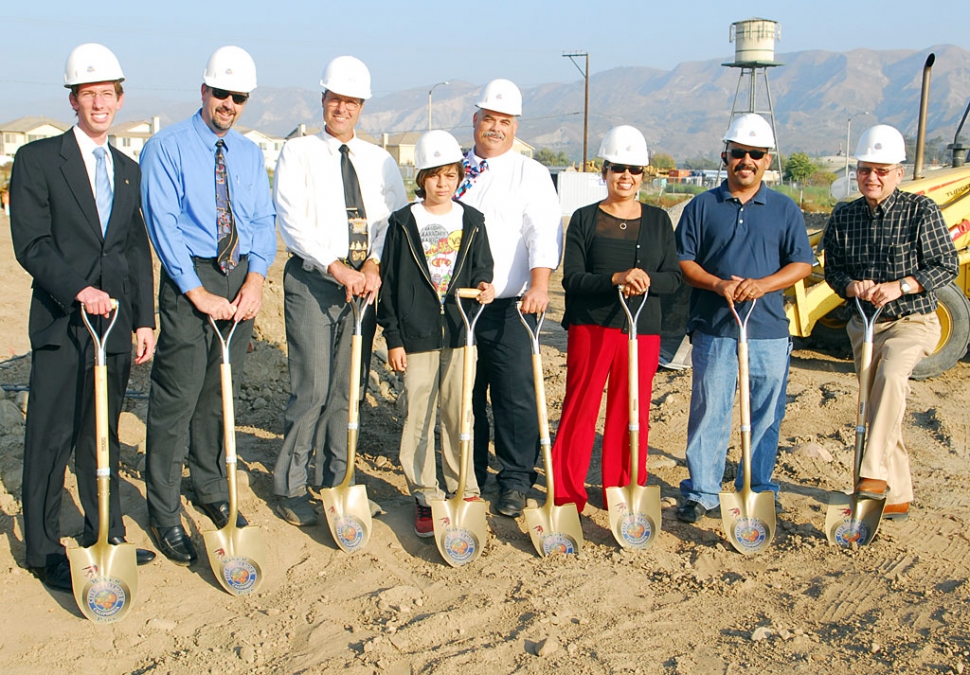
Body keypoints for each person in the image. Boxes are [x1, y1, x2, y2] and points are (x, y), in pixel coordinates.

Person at [10, 43, 157, 591]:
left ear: (119, 100)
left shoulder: (127, 170)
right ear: (73, 100)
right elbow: (32, 243)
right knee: (49, 434)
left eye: (108, 94)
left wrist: (143, 319)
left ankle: (106, 532)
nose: (99, 104)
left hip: (116, 325)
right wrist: (79, 290)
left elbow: (136, 247)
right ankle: (42, 547)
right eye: (88, 94)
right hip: (62, 320)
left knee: (103, 434)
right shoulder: (38, 160)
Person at [141, 46, 276, 565]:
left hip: (240, 276)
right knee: (177, 395)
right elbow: (163, 223)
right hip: (190, 276)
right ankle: (165, 510)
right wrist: (195, 291)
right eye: (221, 93)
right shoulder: (166, 147)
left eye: (238, 96)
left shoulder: (246, 153)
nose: (229, 103)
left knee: (218, 394)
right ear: (203, 90)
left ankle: (210, 486)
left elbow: (262, 221)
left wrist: (257, 279)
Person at [272, 56, 407, 527]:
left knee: (346, 391)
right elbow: (292, 220)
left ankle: (336, 480)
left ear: (362, 106)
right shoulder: (300, 153)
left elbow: (395, 220)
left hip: (362, 289)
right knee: (311, 388)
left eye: (351, 101)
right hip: (314, 282)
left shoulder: (380, 161)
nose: (342, 108)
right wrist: (336, 267)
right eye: (335, 99)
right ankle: (290, 485)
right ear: (323, 98)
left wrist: (372, 262)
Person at [675, 113, 813, 523]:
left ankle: (758, 489)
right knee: (710, 409)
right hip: (715, 327)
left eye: (756, 154)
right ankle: (702, 492)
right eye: (739, 153)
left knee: (766, 414)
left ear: (768, 160)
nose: (747, 160)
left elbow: (802, 263)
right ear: (725, 156)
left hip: (768, 330)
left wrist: (763, 284)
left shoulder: (785, 209)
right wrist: (719, 285)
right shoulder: (702, 206)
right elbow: (684, 261)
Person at [822, 124, 957, 520]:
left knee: (892, 378)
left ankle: (869, 474)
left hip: (911, 320)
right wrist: (853, 288)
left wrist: (902, 285)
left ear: (898, 173)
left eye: (882, 170)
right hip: (864, 326)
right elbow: (834, 273)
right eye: (866, 169)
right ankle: (895, 494)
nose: (873, 178)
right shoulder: (844, 217)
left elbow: (945, 264)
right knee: (878, 405)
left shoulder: (921, 211)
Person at [551, 126, 681, 512]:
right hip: (591, 326)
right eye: (618, 168)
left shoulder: (658, 221)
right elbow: (572, 278)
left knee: (631, 411)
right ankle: (566, 492)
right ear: (604, 171)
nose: (626, 176)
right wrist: (616, 279)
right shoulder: (584, 219)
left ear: (644, 174)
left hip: (641, 330)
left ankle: (623, 490)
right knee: (580, 407)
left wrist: (645, 279)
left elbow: (673, 278)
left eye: (635, 170)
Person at [378, 130, 495, 536]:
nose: (442, 184)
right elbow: (390, 285)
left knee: (458, 411)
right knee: (418, 415)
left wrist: (485, 285)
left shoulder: (472, 221)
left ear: (459, 177)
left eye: (450, 175)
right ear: (421, 177)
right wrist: (394, 337)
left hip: (462, 333)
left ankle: (465, 487)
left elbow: (484, 268)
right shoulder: (403, 223)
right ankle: (426, 494)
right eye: (434, 175)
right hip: (417, 335)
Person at [455, 78, 563, 518]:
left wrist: (540, 285)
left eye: (505, 122)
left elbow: (542, 232)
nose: (495, 128)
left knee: (514, 396)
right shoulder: (454, 170)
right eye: (488, 119)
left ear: (515, 126)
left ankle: (516, 479)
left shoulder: (530, 173)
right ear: (475, 120)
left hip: (512, 305)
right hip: (460, 304)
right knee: (466, 394)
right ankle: (473, 474)